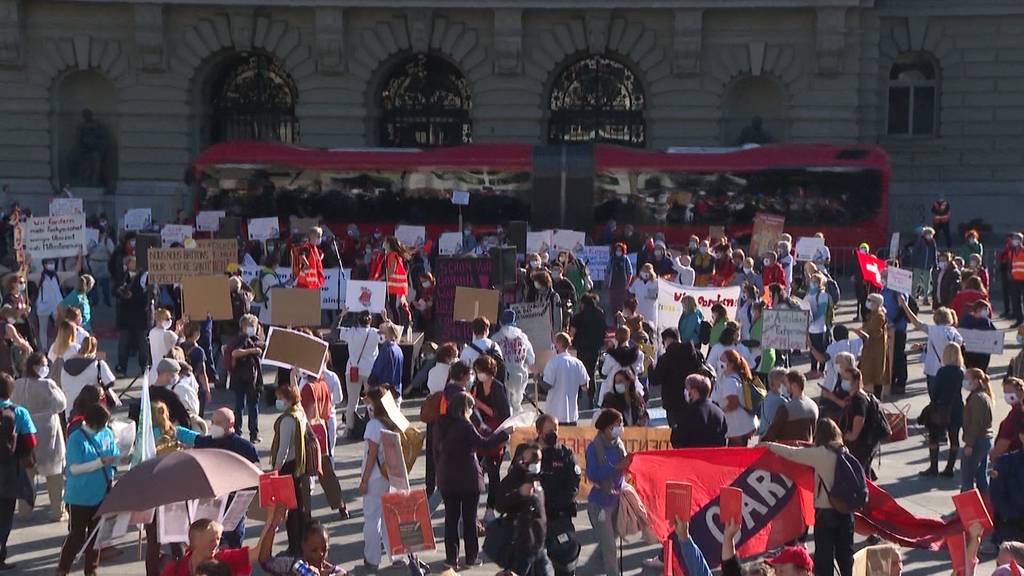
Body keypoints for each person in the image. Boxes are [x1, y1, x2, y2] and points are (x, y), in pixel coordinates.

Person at [767, 419, 854, 576]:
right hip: (846, 512)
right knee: (845, 558)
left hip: (826, 513)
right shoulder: (844, 451)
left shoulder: (820, 454)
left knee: (824, 559)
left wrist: (769, 446)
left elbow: (791, 454)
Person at [434, 391, 510, 571]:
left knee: (451, 519)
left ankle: (451, 559)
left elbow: (435, 451)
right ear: (464, 409)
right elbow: (484, 445)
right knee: (469, 519)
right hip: (467, 478)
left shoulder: (440, 423)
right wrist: (504, 435)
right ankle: (471, 557)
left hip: (447, 476)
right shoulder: (465, 426)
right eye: (470, 408)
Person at [56, 403, 119, 576]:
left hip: (101, 494)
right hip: (79, 497)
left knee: (96, 537)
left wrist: (116, 458)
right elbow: (74, 468)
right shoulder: (76, 438)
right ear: (93, 423)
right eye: (103, 423)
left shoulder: (107, 433)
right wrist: (100, 462)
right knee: (76, 537)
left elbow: (114, 454)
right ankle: (63, 569)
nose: (106, 426)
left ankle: (91, 571)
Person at [194, 408, 259, 548]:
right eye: (212, 422)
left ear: (230, 424)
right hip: (211, 505)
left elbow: (257, 477)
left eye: (218, 422)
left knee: (233, 547)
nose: (213, 426)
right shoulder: (206, 443)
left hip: (234, 507)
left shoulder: (245, 448)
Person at [13, 352, 66, 522]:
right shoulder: (49, 384)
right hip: (48, 432)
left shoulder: (19, 384)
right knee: (55, 476)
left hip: (26, 433)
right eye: (43, 365)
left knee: (27, 474)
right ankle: (58, 511)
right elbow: (61, 404)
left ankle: (25, 510)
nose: (45, 368)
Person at [357, 387, 405, 570]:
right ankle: (397, 556)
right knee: (389, 518)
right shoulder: (392, 421)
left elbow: (371, 455)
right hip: (390, 474)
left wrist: (363, 480)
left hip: (375, 476)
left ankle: (372, 559)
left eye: (368, 401)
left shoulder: (373, 426)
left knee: (371, 519)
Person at [159, 508, 282, 576]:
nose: (216, 544)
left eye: (218, 539)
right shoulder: (175, 569)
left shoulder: (223, 558)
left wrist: (271, 520)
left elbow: (257, 554)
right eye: (211, 540)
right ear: (195, 543)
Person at [495, 442, 554, 576]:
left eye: (538, 459)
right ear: (520, 460)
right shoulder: (512, 480)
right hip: (520, 545)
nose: (536, 463)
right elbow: (499, 504)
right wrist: (519, 493)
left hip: (538, 545)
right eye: (532, 459)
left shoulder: (539, 479)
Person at [585, 409, 631, 576]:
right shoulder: (593, 448)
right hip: (600, 503)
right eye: (616, 425)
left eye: (621, 424)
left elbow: (623, 468)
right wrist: (614, 467)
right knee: (610, 548)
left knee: (607, 545)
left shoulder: (619, 444)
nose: (620, 428)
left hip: (617, 501)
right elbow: (592, 475)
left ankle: (587, 573)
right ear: (605, 427)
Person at [298, 370, 347, 521]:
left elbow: (302, 412)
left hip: (308, 431)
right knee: (326, 471)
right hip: (322, 428)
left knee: (304, 474)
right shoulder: (323, 384)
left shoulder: (308, 388)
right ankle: (341, 506)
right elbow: (326, 410)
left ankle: (306, 512)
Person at [270, 382, 313, 555]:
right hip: (298, 464)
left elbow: (283, 449)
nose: (278, 401)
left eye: (280, 398)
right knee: (299, 506)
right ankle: (302, 542)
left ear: (286, 399)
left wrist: (275, 470)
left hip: (287, 467)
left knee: (290, 509)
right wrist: (293, 376)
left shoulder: (287, 419)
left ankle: (294, 546)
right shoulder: (299, 412)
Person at [534, 414, 580, 576]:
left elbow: (573, 485)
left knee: (566, 561)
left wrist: (556, 505)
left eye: (556, 429)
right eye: (549, 430)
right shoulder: (528, 454)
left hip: (559, 518)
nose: (554, 433)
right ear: (539, 432)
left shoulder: (564, 454)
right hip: (535, 520)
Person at [473, 354, 511, 521]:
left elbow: (501, 414)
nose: (477, 374)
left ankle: (490, 508)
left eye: (479, 371)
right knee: (476, 469)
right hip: (480, 433)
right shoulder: (477, 387)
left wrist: (479, 404)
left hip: (496, 434)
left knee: (494, 472)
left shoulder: (498, 388)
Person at [899, 298, 963, 393]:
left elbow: (916, 323)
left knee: (934, 398)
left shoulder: (932, 330)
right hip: (951, 370)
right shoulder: (955, 334)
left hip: (933, 370)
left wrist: (904, 305)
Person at [920, 343, 965, 477]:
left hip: (941, 407)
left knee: (934, 437)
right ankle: (949, 468)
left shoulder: (942, 371)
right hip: (956, 407)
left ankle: (933, 467)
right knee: (954, 437)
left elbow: (935, 391)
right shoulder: (961, 371)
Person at [337, 311, 379, 439]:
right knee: (371, 401)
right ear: (370, 321)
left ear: (357, 320)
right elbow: (395, 335)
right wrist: (386, 319)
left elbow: (335, 331)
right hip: (369, 371)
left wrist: (341, 315)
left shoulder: (351, 332)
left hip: (353, 370)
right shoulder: (375, 333)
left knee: (352, 402)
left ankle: (349, 428)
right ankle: (373, 427)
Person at [259, 518, 346, 576]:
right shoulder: (293, 565)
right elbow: (265, 560)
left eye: (324, 549)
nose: (320, 554)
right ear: (303, 546)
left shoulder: (337, 572)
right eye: (314, 550)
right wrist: (274, 524)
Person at [838, 368, 881, 480]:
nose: (844, 382)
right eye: (843, 378)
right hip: (867, 443)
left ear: (856, 381)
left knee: (859, 476)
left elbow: (860, 417)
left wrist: (852, 435)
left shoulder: (858, 399)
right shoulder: (861, 396)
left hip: (861, 443)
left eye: (847, 379)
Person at [655, 332, 702, 429]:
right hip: (692, 398)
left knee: (676, 435)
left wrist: (651, 367)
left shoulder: (664, 359)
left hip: (673, 403)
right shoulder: (695, 353)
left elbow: (655, 380)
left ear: (667, 340)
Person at [494, 309, 536, 416]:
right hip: (520, 376)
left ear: (500, 322)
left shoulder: (496, 338)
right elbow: (531, 359)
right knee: (517, 405)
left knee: (505, 406)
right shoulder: (523, 337)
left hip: (503, 376)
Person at [229, 314, 264, 443]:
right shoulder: (241, 339)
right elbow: (235, 353)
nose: (252, 329)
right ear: (243, 327)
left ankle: (251, 433)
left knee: (249, 406)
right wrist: (252, 351)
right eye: (250, 326)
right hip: (243, 377)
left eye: (253, 326)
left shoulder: (255, 339)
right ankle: (241, 432)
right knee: (242, 406)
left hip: (249, 378)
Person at [542, 333, 590, 425]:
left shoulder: (553, 363)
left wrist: (538, 378)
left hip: (554, 414)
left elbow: (547, 386)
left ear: (558, 344)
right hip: (572, 414)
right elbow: (585, 386)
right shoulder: (578, 363)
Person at [712, 349, 756, 446]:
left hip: (737, 426)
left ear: (731, 364)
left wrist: (720, 412)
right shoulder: (734, 377)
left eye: (722, 360)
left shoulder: (730, 381)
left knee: (737, 455)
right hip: (741, 424)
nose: (719, 363)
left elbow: (733, 403)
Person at [762, 370, 820, 443]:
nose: (784, 387)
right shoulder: (813, 406)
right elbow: (813, 433)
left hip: (787, 450)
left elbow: (772, 433)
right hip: (806, 449)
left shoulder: (785, 409)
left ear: (794, 386)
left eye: (785, 384)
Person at [961, 368, 994, 494]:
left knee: (967, 478)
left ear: (975, 381)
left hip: (977, 441)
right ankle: (986, 504)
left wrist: (969, 444)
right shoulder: (982, 396)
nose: (965, 381)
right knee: (981, 476)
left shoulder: (977, 398)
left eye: (967, 378)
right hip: (984, 440)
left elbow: (976, 424)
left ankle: (965, 509)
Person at [598, 326, 643, 406]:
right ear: (629, 337)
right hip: (632, 387)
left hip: (614, 388)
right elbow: (640, 371)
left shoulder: (611, 355)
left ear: (616, 338)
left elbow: (604, 371)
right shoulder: (638, 354)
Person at [855, 293, 889, 396]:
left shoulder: (879, 316)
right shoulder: (872, 314)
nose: (868, 302)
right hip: (870, 349)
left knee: (876, 374)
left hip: (876, 350)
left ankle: (876, 397)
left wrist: (862, 331)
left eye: (871, 301)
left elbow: (874, 332)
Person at [882, 271, 910, 395]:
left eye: (884, 276)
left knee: (898, 355)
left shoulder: (898, 291)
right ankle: (890, 380)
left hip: (898, 328)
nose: (882, 278)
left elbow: (903, 309)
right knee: (889, 356)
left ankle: (901, 382)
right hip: (887, 328)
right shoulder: (885, 289)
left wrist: (893, 322)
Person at [804, 274, 833, 380]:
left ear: (820, 283)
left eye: (815, 282)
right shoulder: (808, 294)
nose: (813, 283)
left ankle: (821, 371)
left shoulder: (823, 295)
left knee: (820, 350)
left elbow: (821, 311)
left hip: (820, 328)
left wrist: (811, 319)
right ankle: (813, 369)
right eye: (812, 281)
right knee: (812, 350)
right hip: (810, 328)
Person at [990, 378, 1024, 465]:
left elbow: (1005, 439)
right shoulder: (1016, 410)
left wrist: (994, 454)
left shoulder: (1016, 413)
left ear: (1020, 392)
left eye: (1009, 392)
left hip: (1013, 458)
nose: (1007, 395)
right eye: (1005, 392)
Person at [181, 323, 211, 418]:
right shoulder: (199, 351)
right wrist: (207, 390)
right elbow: (202, 373)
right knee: (197, 415)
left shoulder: (180, 346)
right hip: (195, 385)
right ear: (195, 334)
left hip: (182, 382)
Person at [369, 322, 404, 401]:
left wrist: (371, 382)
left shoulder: (386, 350)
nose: (379, 334)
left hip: (386, 393)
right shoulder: (398, 349)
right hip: (396, 390)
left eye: (382, 332)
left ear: (389, 334)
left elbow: (377, 371)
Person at [36, 258, 64, 354]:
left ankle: (58, 347)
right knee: (43, 328)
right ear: (44, 264)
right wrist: (26, 263)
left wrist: (79, 256)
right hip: (43, 305)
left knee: (60, 327)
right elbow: (24, 275)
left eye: (52, 262)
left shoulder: (58, 275)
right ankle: (44, 349)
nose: (51, 264)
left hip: (56, 305)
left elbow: (76, 271)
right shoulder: (40, 276)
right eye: (49, 263)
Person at [961, 299, 997, 371]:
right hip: (970, 353)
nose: (987, 311)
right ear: (978, 310)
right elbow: (962, 334)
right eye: (985, 309)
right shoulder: (967, 319)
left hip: (983, 354)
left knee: (982, 372)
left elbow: (994, 334)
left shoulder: (987, 321)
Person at [148, 307, 179, 385]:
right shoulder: (168, 334)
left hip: (154, 370)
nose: (170, 321)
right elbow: (177, 344)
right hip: (166, 371)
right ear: (159, 320)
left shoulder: (152, 332)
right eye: (167, 319)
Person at [758, 368, 788, 437]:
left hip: (764, 435)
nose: (786, 385)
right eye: (783, 382)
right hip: (772, 437)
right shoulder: (781, 401)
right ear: (772, 384)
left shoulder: (767, 396)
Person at [532, 271, 564, 335]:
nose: (535, 283)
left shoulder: (554, 296)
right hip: (541, 331)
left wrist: (556, 333)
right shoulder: (538, 295)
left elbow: (557, 317)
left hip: (551, 332)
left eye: (537, 281)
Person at [606, 243, 633, 316]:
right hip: (613, 286)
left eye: (620, 250)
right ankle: (614, 323)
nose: (618, 251)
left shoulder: (626, 259)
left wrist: (628, 284)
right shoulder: (612, 259)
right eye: (617, 250)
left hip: (623, 286)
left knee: (622, 306)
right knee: (613, 306)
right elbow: (607, 271)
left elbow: (630, 272)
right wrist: (608, 283)